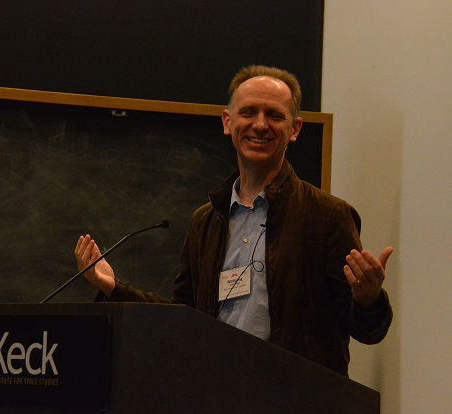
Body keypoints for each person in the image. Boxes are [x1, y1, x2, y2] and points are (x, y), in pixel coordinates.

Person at [75, 65, 393, 376]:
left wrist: (369, 300)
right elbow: (183, 318)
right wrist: (114, 288)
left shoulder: (327, 216)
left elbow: (366, 330)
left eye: (274, 115)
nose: (260, 124)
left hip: (296, 398)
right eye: (248, 112)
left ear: (294, 129)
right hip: (217, 393)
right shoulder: (206, 221)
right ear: (228, 122)